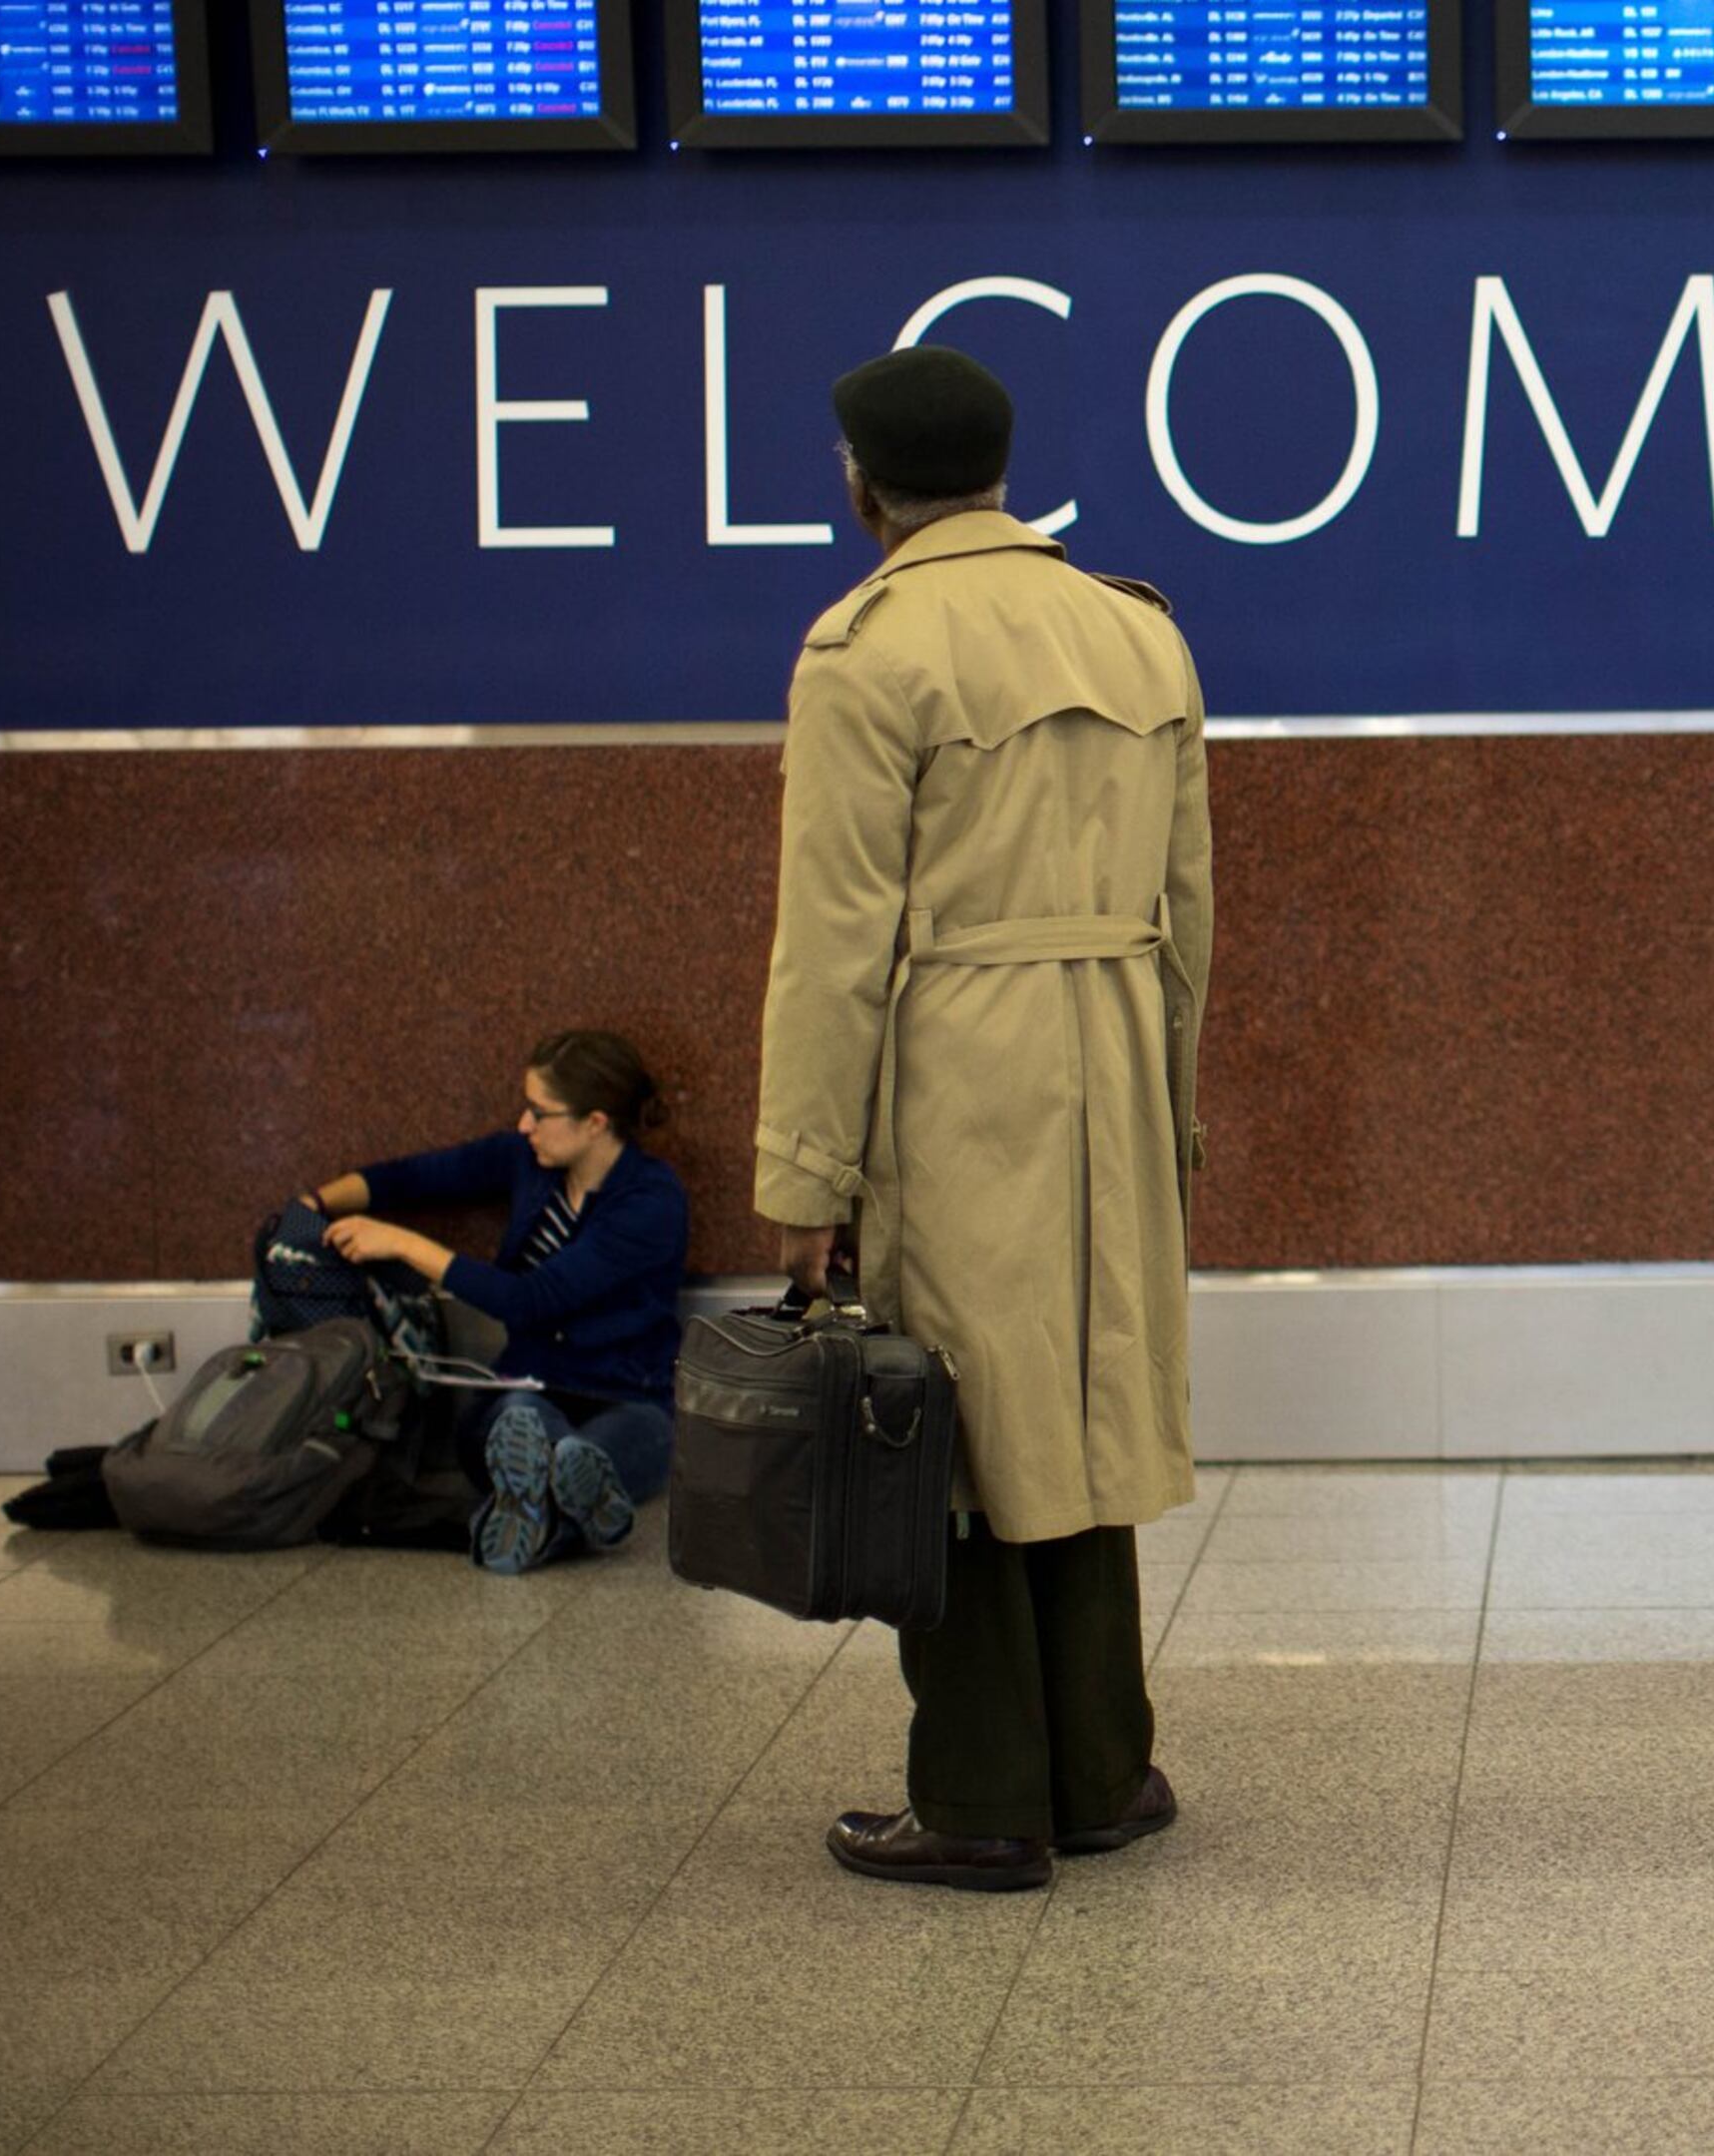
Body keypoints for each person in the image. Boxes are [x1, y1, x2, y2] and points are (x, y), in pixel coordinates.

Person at [755, 344, 1212, 1892]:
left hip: (960, 1056)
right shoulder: (1136, 630)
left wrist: (803, 1175)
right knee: (1081, 1404)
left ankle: (979, 1797)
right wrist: (1173, 1106)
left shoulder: (866, 649)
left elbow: (831, 942)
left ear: (860, 484)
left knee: (943, 1418)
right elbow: (1190, 906)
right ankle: (1103, 1769)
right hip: (1112, 1045)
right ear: (1003, 470)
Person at [302, 1029, 690, 1573]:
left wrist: (403, 1244)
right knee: (520, 1422)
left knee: (612, 1447)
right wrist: (314, 1203)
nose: (524, 1124)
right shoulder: (527, 1161)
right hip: (527, 1385)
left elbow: (531, 1300)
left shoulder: (651, 1201)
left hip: (625, 1393)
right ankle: (563, 1498)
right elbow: (413, 1177)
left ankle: (529, 1514)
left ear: (595, 1122)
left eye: (539, 1111)